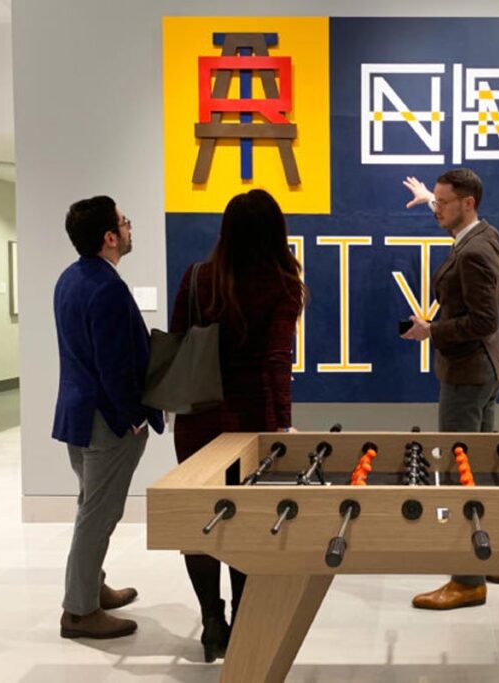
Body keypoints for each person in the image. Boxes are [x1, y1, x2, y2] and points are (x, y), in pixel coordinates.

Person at [170, 189, 305, 661]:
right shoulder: (283, 283)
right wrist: (283, 425)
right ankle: (246, 616)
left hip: (196, 418)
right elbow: (276, 361)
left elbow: (179, 339)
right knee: (247, 521)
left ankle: (211, 622)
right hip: (250, 422)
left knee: (200, 520)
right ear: (275, 232)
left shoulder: (198, 276)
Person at [53, 196, 165, 639]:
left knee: (90, 508)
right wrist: (134, 417)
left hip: (77, 417)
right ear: (109, 237)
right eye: (125, 222)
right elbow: (114, 366)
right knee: (98, 515)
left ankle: (92, 588)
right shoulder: (108, 288)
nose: (129, 228)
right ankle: (79, 612)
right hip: (107, 423)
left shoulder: (70, 279)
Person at [400, 168, 499, 609]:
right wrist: (429, 195)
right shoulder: (487, 234)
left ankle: (467, 580)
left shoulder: (473, 254)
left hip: (467, 376)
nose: (435, 209)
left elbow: (484, 321)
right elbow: (450, 210)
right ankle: (488, 554)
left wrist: (432, 331)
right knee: (481, 468)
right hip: (485, 371)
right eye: (435, 201)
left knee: (461, 472)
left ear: (468, 203)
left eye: (443, 203)